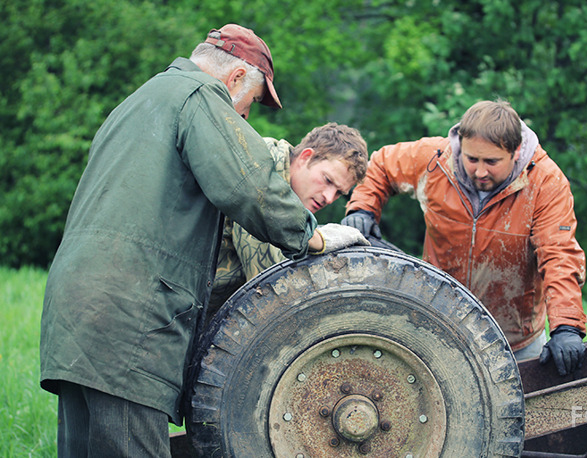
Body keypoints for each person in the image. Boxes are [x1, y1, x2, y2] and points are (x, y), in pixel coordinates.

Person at [39, 23, 367, 457]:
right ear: (234, 80)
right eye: (248, 105)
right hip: (130, 318)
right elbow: (249, 188)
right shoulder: (200, 96)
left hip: (74, 311)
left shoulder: (138, 101)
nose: (245, 118)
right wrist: (313, 238)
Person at [342, 99, 587, 375]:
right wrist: (363, 208)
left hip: (515, 340)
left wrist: (567, 327)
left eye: (492, 161)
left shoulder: (545, 183)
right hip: (438, 326)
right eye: (472, 159)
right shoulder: (437, 160)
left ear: (516, 151)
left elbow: (559, 255)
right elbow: (382, 165)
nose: (480, 171)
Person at [207, 122, 369, 321]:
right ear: (306, 157)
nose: (329, 197)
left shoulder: (283, 195)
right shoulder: (263, 167)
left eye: (339, 193)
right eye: (327, 180)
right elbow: (271, 287)